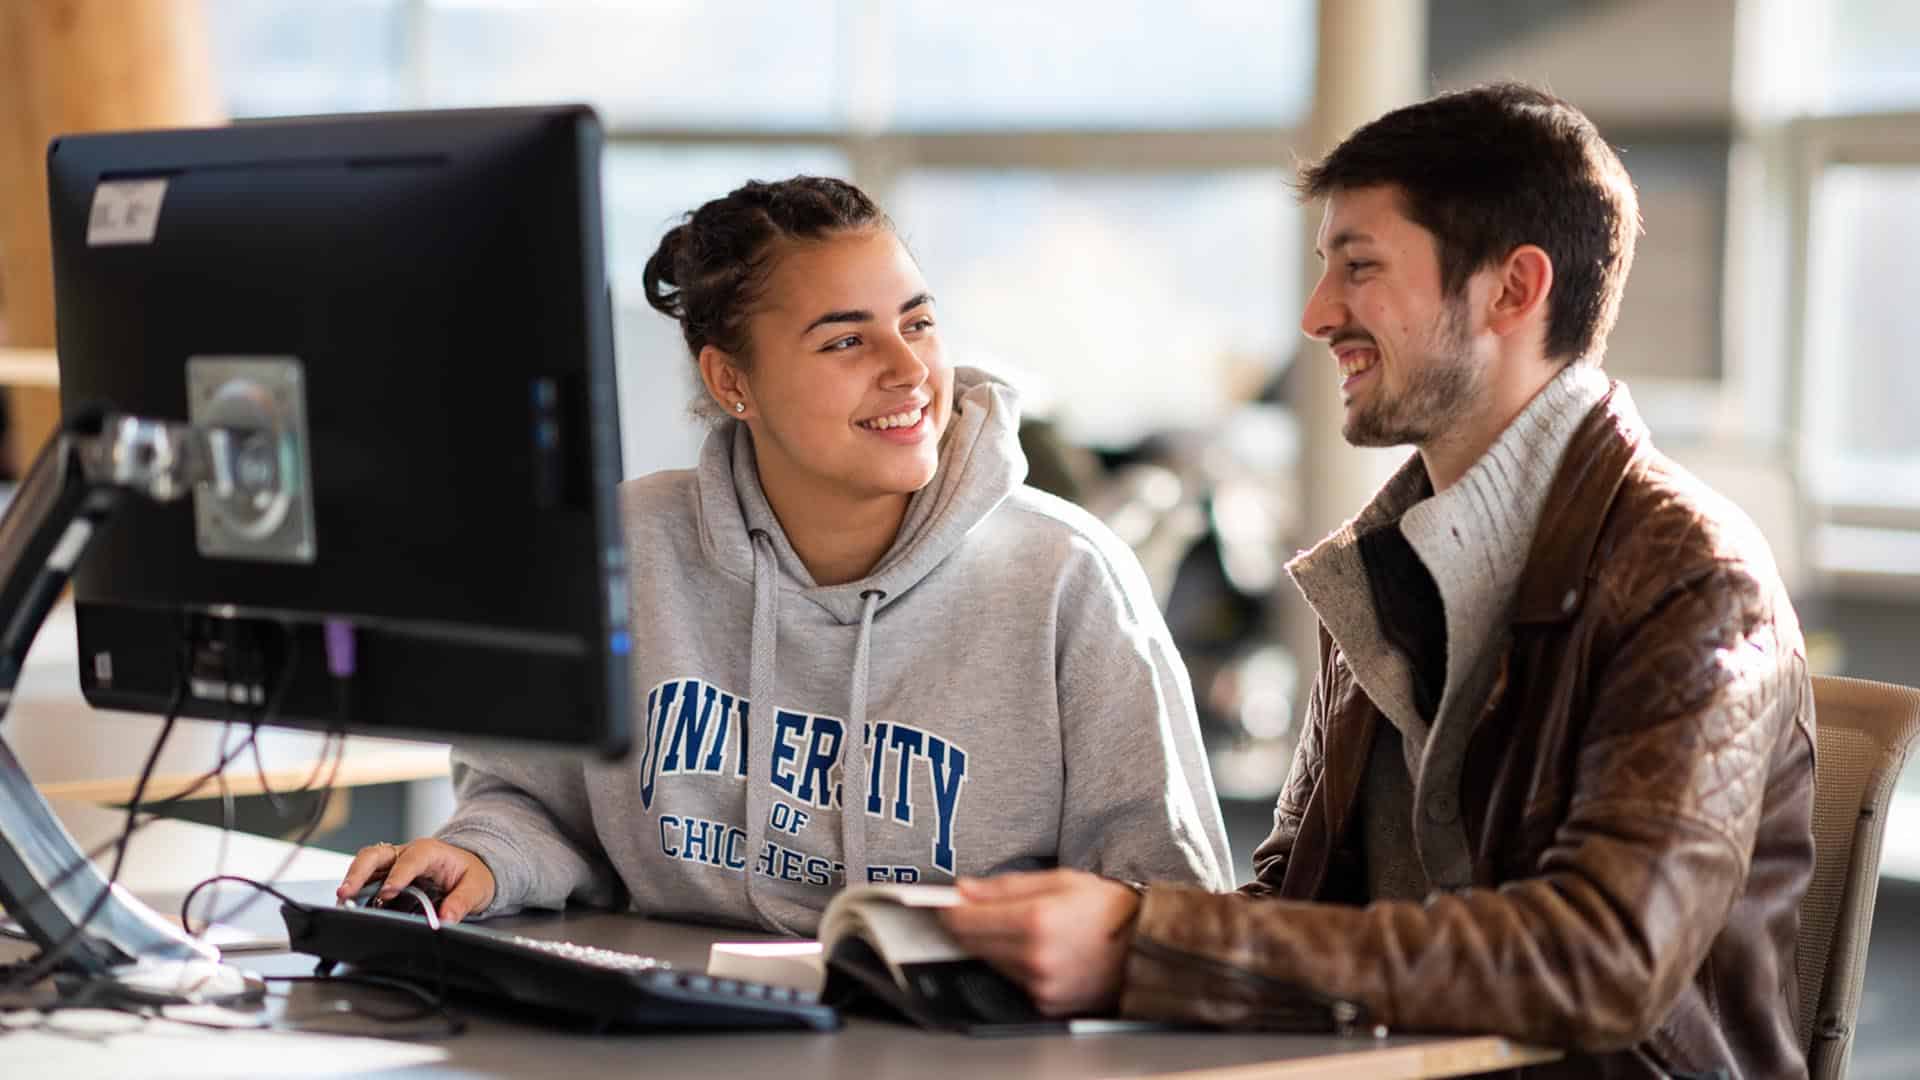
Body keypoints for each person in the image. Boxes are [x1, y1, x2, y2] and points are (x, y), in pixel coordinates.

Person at [941, 83, 1815, 1080]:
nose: (1318, 317)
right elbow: (1301, 912)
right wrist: (1035, 939)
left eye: (1359, 269)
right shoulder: (1385, 565)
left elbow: (1606, 958)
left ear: (1512, 290)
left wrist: (1147, 944)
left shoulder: (1694, 577)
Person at [336, 176, 1232, 934]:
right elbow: (529, 801)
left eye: (917, 323)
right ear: (732, 382)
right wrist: (479, 858)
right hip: (668, 1045)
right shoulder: (627, 547)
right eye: (846, 340)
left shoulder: (1067, 576)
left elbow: (1176, 902)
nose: (909, 369)